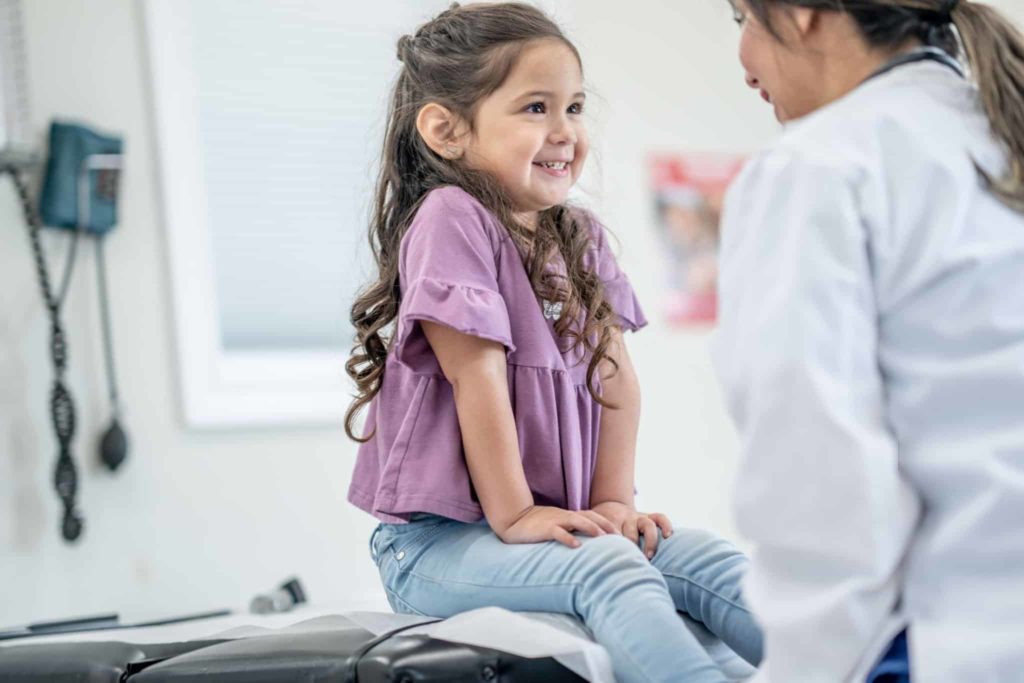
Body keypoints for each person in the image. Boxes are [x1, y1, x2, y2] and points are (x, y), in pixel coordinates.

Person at [344, 4, 763, 681]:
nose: (564, 131)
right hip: (431, 548)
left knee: (707, 558)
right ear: (447, 130)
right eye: (535, 107)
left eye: (573, 107)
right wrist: (514, 515)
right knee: (608, 567)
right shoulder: (451, 220)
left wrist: (612, 505)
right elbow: (476, 379)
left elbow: (617, 383)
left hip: (548, 521)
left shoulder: (581, 237)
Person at [716, 1, 1024, 681]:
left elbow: (818, 487)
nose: (743, 64)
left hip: (952, 642)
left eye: (741, 19)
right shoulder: (995, 131)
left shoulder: (818, 168)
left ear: (798, 14)